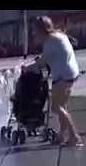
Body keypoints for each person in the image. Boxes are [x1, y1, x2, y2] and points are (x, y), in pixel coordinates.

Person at [33, 16, 83, 147]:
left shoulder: (49, 41)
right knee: (62, 107)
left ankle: (74, 136)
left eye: (35, 31)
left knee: (56, 107)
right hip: (70, 73)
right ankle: (62, 135)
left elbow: (42, 63)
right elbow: (53, 56)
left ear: (41, 30)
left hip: (62, 77)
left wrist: (29, 67)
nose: (34, 33)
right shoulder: (59, 35)